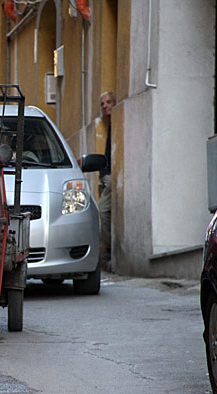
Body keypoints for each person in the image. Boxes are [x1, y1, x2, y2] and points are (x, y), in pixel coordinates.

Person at [98, 91, 115, 268]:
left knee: (102, 211)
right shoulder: (109, 124)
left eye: (109, 102)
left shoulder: (117, 120)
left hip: (110, 176)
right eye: (103, 104)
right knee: (105, 213)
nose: (106, 106)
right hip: (104, 174)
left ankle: (108, 250)